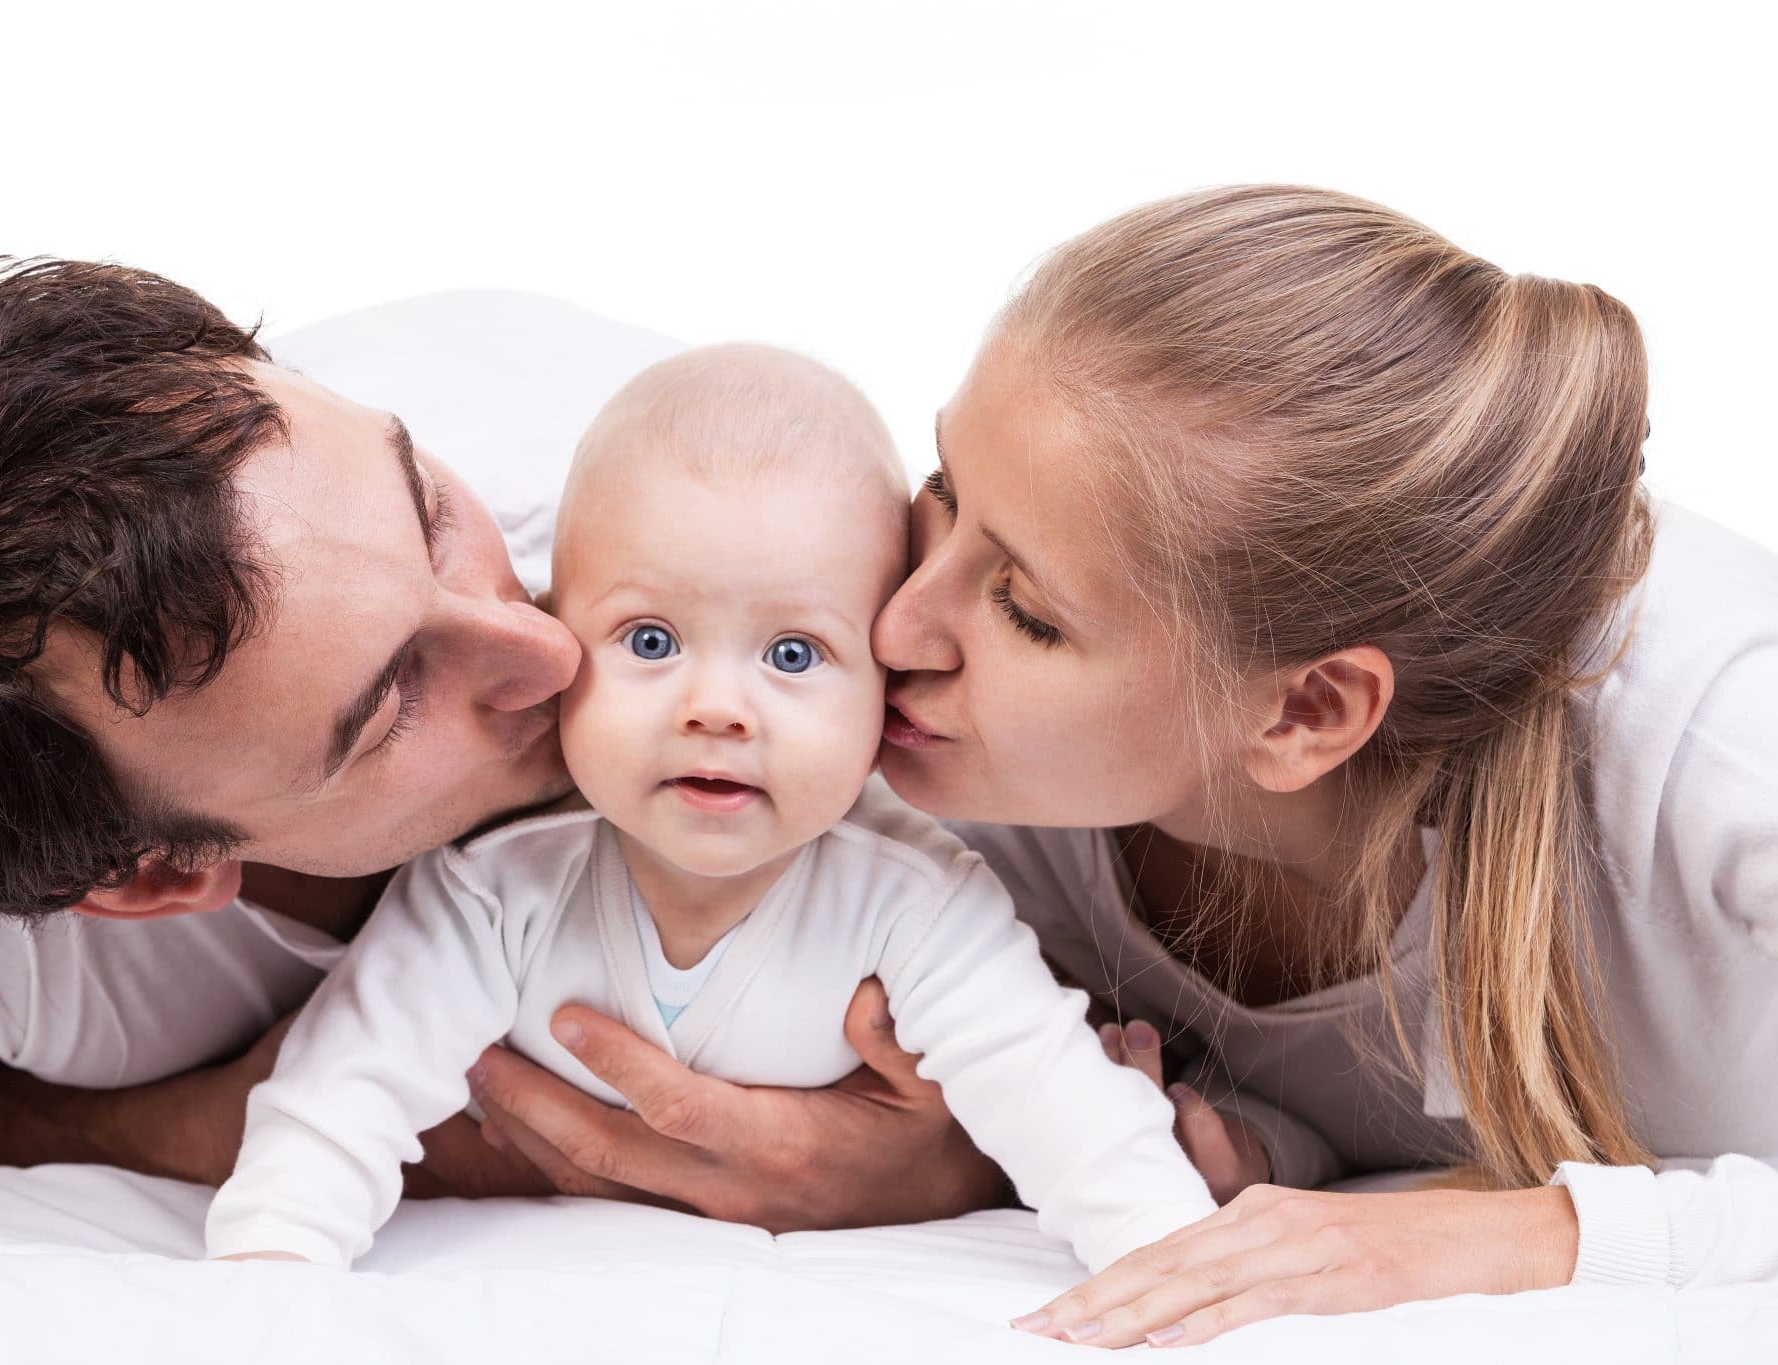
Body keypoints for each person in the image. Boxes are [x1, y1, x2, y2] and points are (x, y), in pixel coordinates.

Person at [462, 187, 1778, 1344]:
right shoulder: (928, 770)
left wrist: (1511, 1238)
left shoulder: (1722, 740)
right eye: (943, 489)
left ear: (1308, 710)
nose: (901, 621)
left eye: (1025, 606)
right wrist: (971, 1162)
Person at [0, 261, 996, 1229]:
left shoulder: (646, 482)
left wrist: (958, 1158)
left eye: (429, 512)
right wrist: (176, 1128)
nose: (546, 649)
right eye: (389, 705)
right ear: (155, 876)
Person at [202, 345, 1213, 1269]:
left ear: (882, 686)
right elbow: (341, 1096)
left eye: (792, 655)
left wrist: (1166, 1256)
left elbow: (1053, 1097)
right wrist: (271, 1272)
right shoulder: (491, 892)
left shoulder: (918, 901)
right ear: (559, 637)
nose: (717, 711)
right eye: (649, 641)